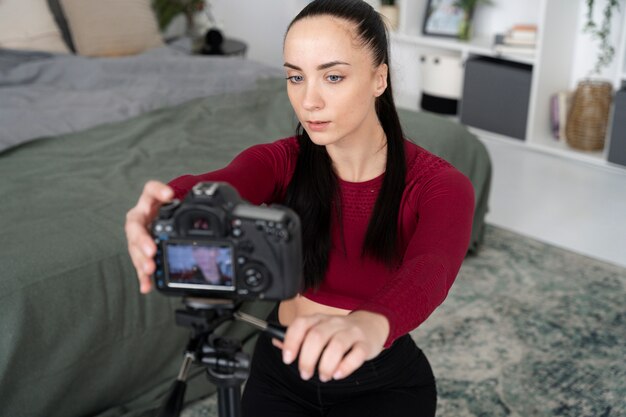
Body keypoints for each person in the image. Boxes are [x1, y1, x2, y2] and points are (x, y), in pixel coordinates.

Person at [125, 0, 475, 415]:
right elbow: (219, 186)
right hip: (280, 369)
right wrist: (163, 204)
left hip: (381, 381)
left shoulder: (441, 186)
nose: (309, 100)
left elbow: (430, 270)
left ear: (379, 78)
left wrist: (367, 323)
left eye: (333, 76)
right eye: (295, 76)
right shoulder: (280, 161)